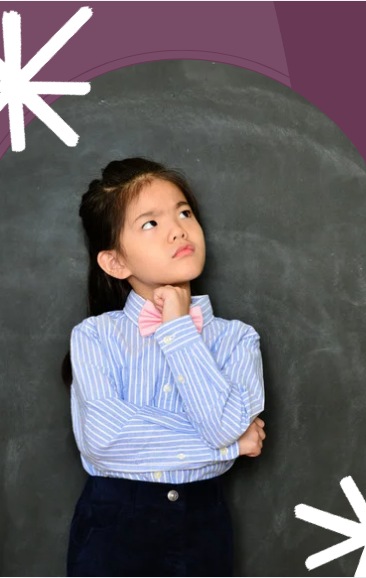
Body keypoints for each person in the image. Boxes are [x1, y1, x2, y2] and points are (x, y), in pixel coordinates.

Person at [62, 156, 266, 577]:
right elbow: (103, 437)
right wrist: (230, 444)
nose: (178, 228)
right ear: (116, 263)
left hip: (204, 527)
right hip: (111, 530)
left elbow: (228, 423)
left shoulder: (238, 339)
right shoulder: (94, 337)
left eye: (184, 212)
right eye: (150, 223)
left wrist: (178, 330)